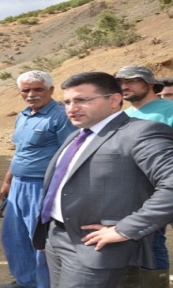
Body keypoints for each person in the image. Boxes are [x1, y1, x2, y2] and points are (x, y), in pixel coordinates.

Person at [33, 71, 173, 288]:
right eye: (67, 102)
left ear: (114, 100)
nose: (71, 108)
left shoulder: (141, 132)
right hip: (57, 238)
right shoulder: (77, 136)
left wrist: (125, 229)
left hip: (96, 249)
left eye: (82, 100)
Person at [0, 70, 77, 288]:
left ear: (50, 90)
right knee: (15, 237)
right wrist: (8, 180)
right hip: (19, 185)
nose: (31, 94)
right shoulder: (23, 115)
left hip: (43, 186)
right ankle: (26, 282)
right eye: (26, 90)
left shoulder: (61, 116)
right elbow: (20, 152)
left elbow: (71, 154)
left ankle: (44, 284)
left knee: (40, 240)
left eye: (38, 89)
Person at [114, 65, 173, 287]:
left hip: (161, 191)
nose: (124, 86)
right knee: (137, 240)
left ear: (149, 84)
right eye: (120, 82)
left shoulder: (169, 110)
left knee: (153, 240)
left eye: (131, 81)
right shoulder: (123, 115)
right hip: (129, 192)